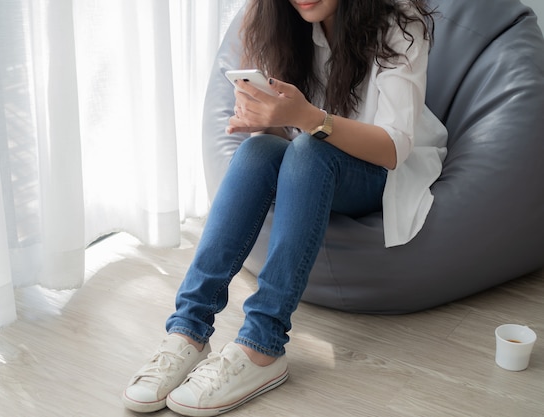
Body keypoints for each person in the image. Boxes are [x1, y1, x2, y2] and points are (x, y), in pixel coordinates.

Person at [123, 0, 446, 415]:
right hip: (312, 161)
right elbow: (287, 138)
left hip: (384, 172)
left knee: (311, 149)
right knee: (257, 150)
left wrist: (308, 117)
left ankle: (263, 344)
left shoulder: (400, 22)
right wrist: (264, 118)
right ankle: (187, 329)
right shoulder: (277, 18)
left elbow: (393, 148)